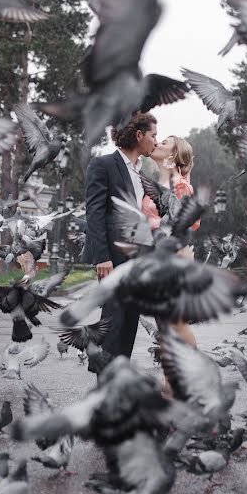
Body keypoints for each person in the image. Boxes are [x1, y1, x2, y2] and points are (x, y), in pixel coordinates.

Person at [82, 112, 158, 361]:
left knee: (129, 327)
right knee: (113, 326)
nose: (155, 141)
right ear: (139, 135)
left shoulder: (142, 174)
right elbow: (94, 213)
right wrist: (102, 257)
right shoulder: (103, 165)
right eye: (153, 135)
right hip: (113, 261)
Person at [142, 134, 199, 352]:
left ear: (173, 154)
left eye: (164, 143)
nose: (157, 143)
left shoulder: (180, 186)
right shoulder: (159, 184)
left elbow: (185, 226)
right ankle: (171, 383)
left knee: (175, 324)